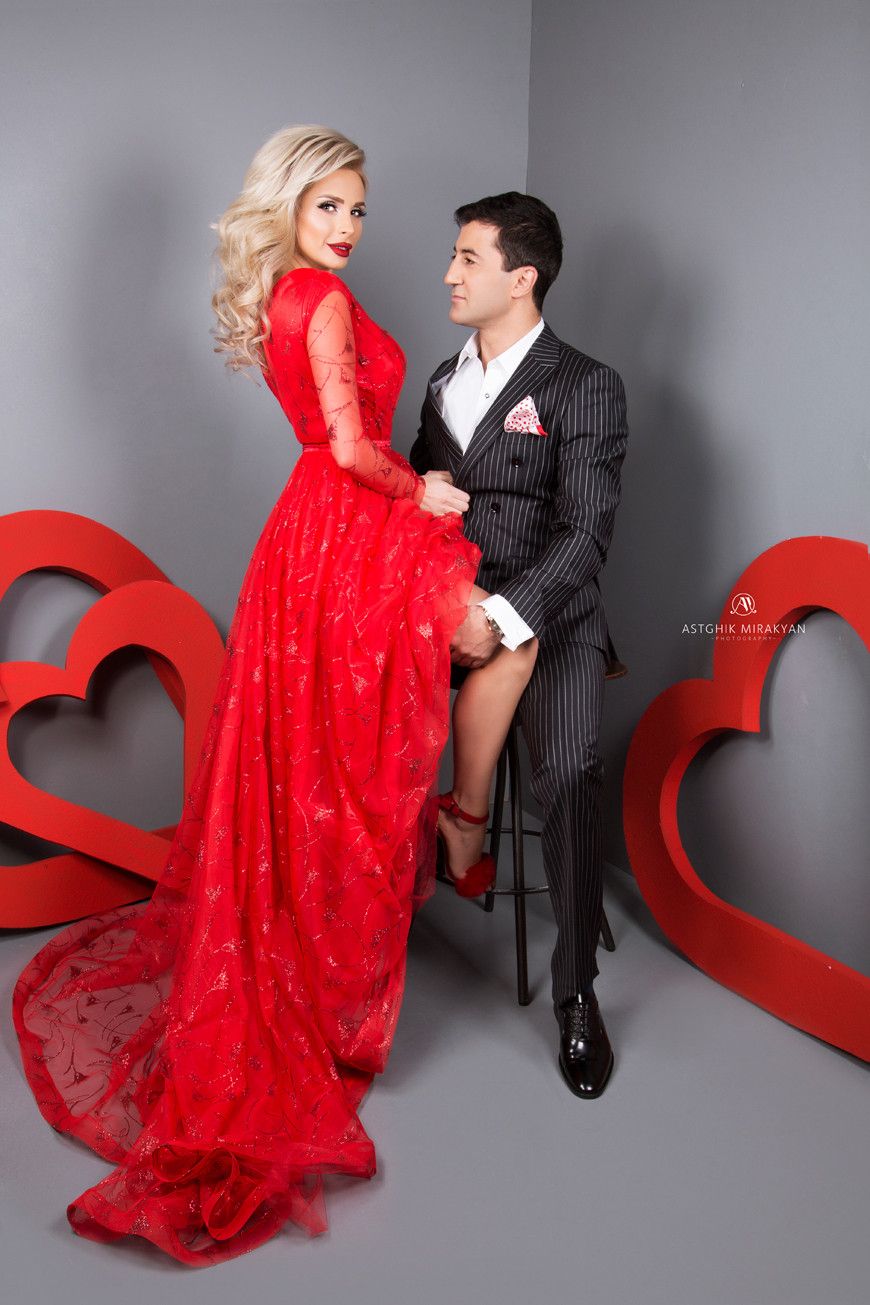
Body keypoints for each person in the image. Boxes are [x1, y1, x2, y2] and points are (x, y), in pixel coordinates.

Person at [11, 126, 538, 1266]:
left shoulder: (283, 295)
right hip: (345, 528)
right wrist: (426, 491)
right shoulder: (323, 299)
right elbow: (348, 448)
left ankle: (414, 855)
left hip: (305, 538)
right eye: (328, 205)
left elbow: (324, 438)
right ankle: (454, 828)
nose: (348, 227)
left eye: (358, 208)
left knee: (308, 751)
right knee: (394, 710)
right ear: (290, 204)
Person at [409, 191, 629, 1100]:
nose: (449, 274)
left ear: (521, 278)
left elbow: (587, 535)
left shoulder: (585, 384)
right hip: (443, 606)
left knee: (571, 769)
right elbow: (414, 496)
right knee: (341, 703)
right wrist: (419, 492)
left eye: (468, 258)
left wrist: (501, 617)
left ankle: (576, 992)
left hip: (553, 615)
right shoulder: (441, 381)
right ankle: (366, 918)